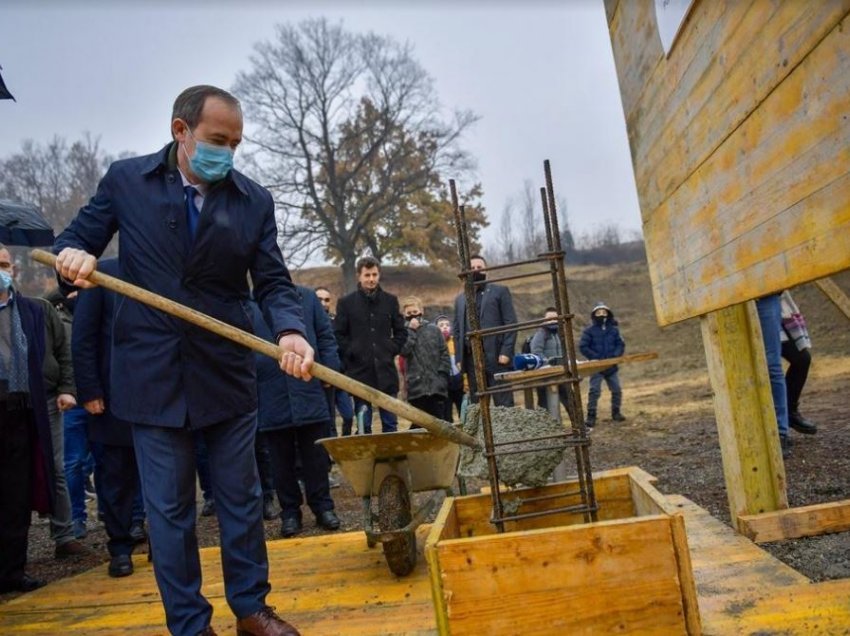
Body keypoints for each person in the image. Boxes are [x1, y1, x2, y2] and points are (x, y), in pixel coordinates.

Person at [52, 85, 313, 636]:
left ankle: (251, 609)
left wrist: (290, 330)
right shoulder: (127, 182)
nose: (227, 153)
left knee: (242, 500)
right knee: (170, 512)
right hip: (152, 377)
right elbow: (76, 240)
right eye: (217, 140)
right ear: (181, 131)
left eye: (236, 144)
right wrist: (73, 256)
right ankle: (191, 626)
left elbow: (271, 281)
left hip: (225, 368)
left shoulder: (252, 201)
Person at [72, 257, 146, 578]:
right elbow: (83, 335)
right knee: (114, 475)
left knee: (163, 474)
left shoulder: (167, 269)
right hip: (112, 396)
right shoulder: (102, 273)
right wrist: (89, 390)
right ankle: (120, 547)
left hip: (160, 395)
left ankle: (164, 544)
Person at [250, 286, 341, 538]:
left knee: (316, 458)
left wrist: (330, 370)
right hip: (271, 393)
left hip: (308, 388)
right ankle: (290, 512)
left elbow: (324, 335)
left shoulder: (307, 297)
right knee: (280, 462)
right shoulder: (249, 302)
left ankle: (323, 507)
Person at [0, 244, 54, 594]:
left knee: (16, 497)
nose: (4, 269)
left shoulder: (30, 310)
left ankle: (12, 571)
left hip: (20, 412)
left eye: (6, 263)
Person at [34, 289, 89, 559]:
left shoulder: (39, 309)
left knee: (58, 466)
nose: (4, 271)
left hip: (46, 397)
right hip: (7, 397)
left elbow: (62, 352)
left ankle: (65, 534)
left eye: (6, 264)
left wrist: (66, 387)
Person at [334, 256, 407, 433]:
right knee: (363, 423)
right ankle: (368, 459)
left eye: (374, 274)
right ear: (359, 276)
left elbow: (401, 332)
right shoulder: (346, 303)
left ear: (379, 274)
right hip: (360, 373)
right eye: (367, 275)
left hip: (386, 371)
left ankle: (393, 457)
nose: (371, 279)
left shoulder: (390, 301)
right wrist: (352, 351)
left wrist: (391, 349)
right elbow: (338, 334)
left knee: (390, 423)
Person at [452, 254, 517, 407]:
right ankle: (483, 430)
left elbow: (511, 323)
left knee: (503, 402)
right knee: (479, 403)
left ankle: (506, 431)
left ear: (487, 270)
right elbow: (457, 331)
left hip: (496, 356)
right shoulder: (460, 299)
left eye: (479, 268)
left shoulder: (500, 291)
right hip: (471, 359)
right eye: (472, 268)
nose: (476, 271)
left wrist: (506, 352)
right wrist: (459, 358)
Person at [399, 297, 451, 420]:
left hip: (436, 386)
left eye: (415, 312)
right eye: (409, 313)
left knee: (439, 420)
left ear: (421, 311)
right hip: (416, 388)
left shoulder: (434, 329)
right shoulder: (402, 332)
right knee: (420, 422)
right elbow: (404, 351)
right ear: (404, 314)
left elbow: (444, 353)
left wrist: (442, 375)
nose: (413, 316)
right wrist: (411, 330)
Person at [579, 302, 626, 428]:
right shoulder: (589, 331)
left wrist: (615, 356)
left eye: (604, 312)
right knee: (594, 391)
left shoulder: (614, 330)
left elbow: (620, 345)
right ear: (594, 315)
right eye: (598, 313)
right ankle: (591, 416)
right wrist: (595, 357)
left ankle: (616, 413)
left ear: (608, 314)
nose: (601, 315)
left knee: (616, 389)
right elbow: (583, 346)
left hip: (611, 366)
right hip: (596, 366)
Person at [315, 285, 354, 436]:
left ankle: (345, 446)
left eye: (327, 300)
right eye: (319, 299)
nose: (323, 303)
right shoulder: (307, 322)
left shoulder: (337, 322)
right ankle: (330, 455)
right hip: (322, 378)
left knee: (349, 416)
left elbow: (344, 347)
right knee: (329, 421)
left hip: (340, 376)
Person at [756, 293, 791, 458]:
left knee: (772, 366)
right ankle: (753, 432)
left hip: (765, 297)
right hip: (732, 300)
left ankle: (781, 432)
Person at [780, 290, 817, 436]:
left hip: (777, 304)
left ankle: (789, 411)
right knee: (768, 368)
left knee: (802, 359)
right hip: (753, 308)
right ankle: (777, 425)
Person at [530, 307, 574, 415]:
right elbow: (536, 351)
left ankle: (578, 424)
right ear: (544, 320)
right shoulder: (541, 333)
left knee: (570, 400)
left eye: (554, 318)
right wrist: (547, 363)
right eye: (549, 319)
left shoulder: (561, 333)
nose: (552, 321)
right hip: (545, 374)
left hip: (560, 372)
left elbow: (566, 350)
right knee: (544, 404)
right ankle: (544, 428)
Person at [435, 315, 463, 421]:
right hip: (444, 385)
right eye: (441, 325)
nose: (445, 327)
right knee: (446, 414)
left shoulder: (455, 342)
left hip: (458, 382)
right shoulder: (435, 344)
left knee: (463, 411)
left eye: (447, 325)